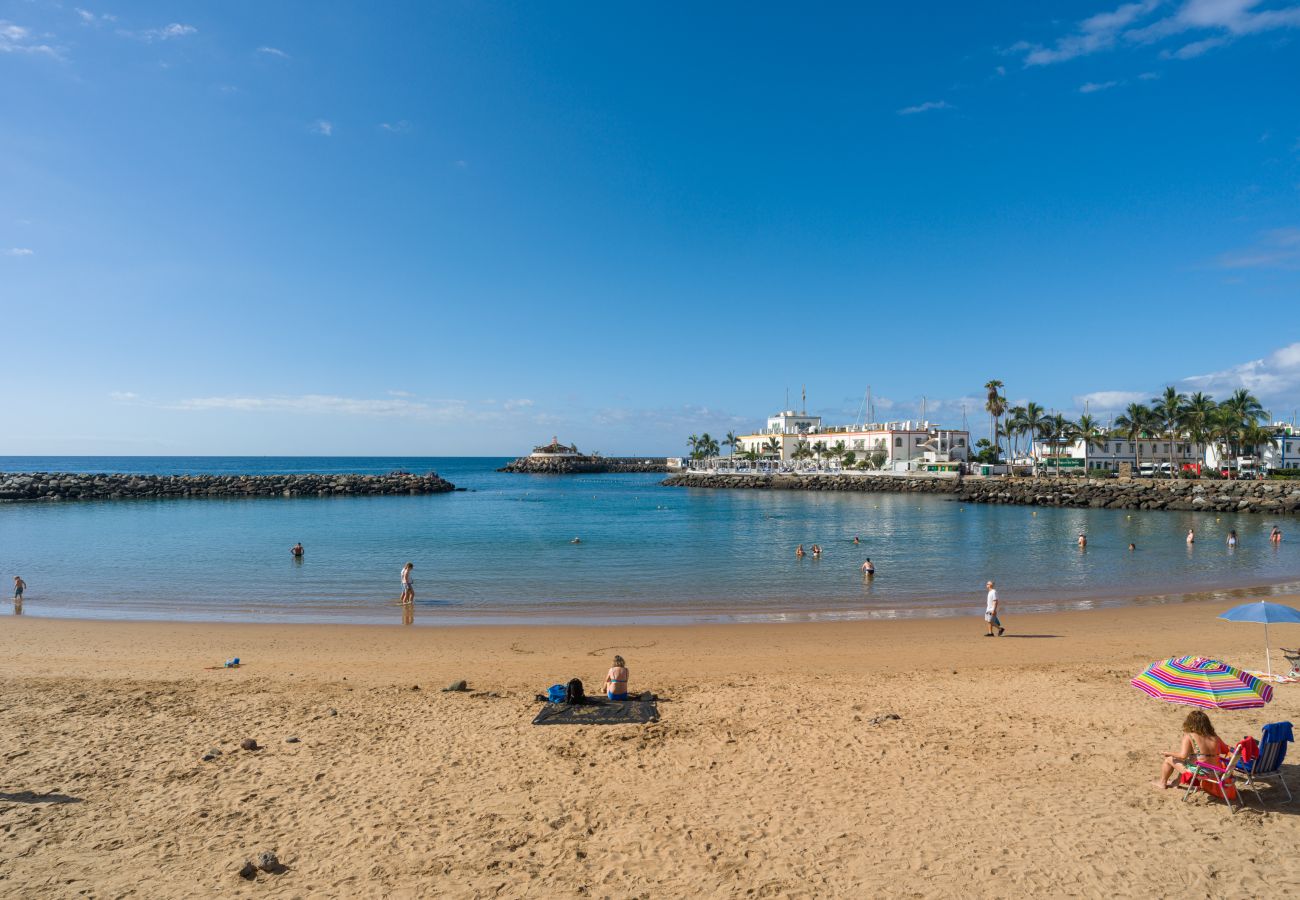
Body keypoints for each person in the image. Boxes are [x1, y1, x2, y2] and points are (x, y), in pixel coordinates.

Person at [1154, 709, 1230, 790]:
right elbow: (1226, 750)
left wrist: (1168, 753)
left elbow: (1183, 756)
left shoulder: (1190, 736)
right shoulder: (1215, 737)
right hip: (1216, 772)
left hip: (1201, 773)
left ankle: (1162, 783)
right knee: (1190, 760)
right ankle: (1176, 782)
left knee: (1169, 760)